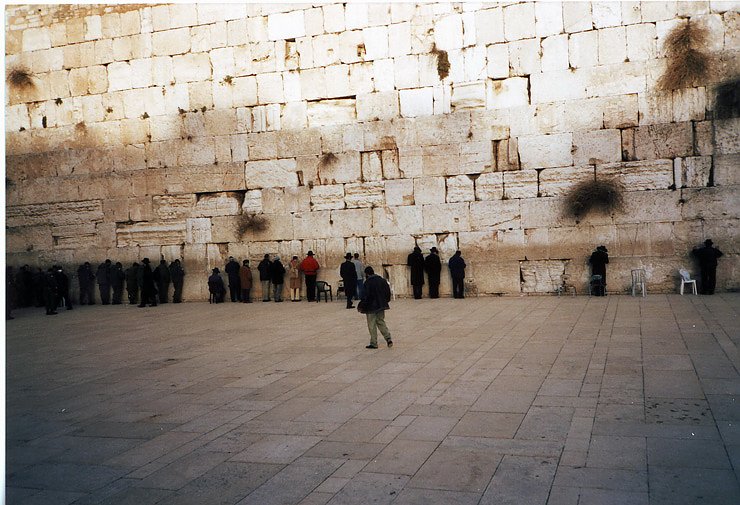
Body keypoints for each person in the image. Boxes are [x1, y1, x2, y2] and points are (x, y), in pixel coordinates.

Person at [358, 266, 393, 349]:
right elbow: (387, 292)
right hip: (381, 305)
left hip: (370, 307)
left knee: (372, 324)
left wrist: (362, 305)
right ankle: (388, 338)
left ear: (367, 274)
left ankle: (374, 343)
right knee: (380, 321)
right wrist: (385, 301)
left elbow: (364, 295)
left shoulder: (367, 282)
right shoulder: (382, 280)